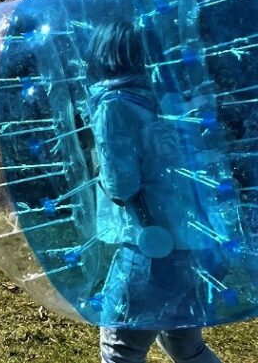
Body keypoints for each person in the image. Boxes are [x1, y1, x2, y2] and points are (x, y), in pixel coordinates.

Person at [87, 21, 222, 363]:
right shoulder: (170, 99)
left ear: (105, 56)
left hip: (148, 246)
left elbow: (122, 185)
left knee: (120, 348)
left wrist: (95, 173)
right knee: (185, 346)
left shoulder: (114, 106)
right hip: (195, 243)